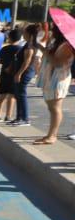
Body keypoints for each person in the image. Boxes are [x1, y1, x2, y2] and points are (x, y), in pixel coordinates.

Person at [38, 13, 75, 144]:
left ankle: (52, 136)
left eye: (54, 27)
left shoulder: (67, 46)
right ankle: (50, 134)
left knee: (55, 108)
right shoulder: (55, 42)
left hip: (58, 78)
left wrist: (44, 50)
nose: (52, 28)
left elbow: (58, 63)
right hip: (50, 77)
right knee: (51, 107)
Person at [7, 24, 41, 127]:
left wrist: (19, 74)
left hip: (25, 73)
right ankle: (19, 117)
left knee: (21, 95)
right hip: (22, 72)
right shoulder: (27, 44)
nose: (23, 34)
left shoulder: (30, 45)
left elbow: (27, 61)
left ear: (30, 34)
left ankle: (25, 119)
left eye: (25, 33)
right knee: (18, 94)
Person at [0, 28, 23, 123]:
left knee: (2, 95)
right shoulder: (20, 49)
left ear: (9, 38)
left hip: (4, 73)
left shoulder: (4, 48)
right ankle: (8, 115)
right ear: (19, 39)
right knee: (12, 96)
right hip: (14, 74)